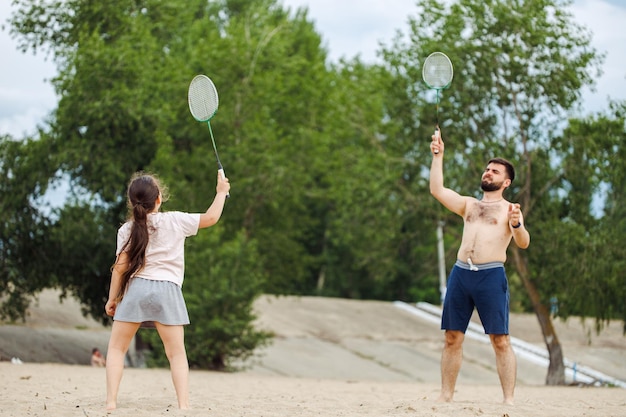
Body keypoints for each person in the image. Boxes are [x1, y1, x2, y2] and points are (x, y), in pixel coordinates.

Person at [104, 171, 230, 410]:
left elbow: (119, 269)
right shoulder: (175, 220)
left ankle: (111, 402)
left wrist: (112, 299)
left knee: (116, 349)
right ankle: (183, 405)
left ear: (132, 202)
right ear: (159, 199)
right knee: (176, 354)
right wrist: (221, 192)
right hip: (168, 292)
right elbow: (211, 218)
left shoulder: (126, 230)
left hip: (136, 291)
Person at [429, 131, 530, 405]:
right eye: (487, 169)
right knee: (452, 337)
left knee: (500, 340)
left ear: (505, 181)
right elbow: (437, 190)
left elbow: (523, 243)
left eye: (494, 171)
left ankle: (508, 400)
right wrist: (438, 156)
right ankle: (445, 395)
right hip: (461, 274)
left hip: (491, 277)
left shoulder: (510, 210)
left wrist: (518, 223)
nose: (488, 173)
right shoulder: (469, 205)